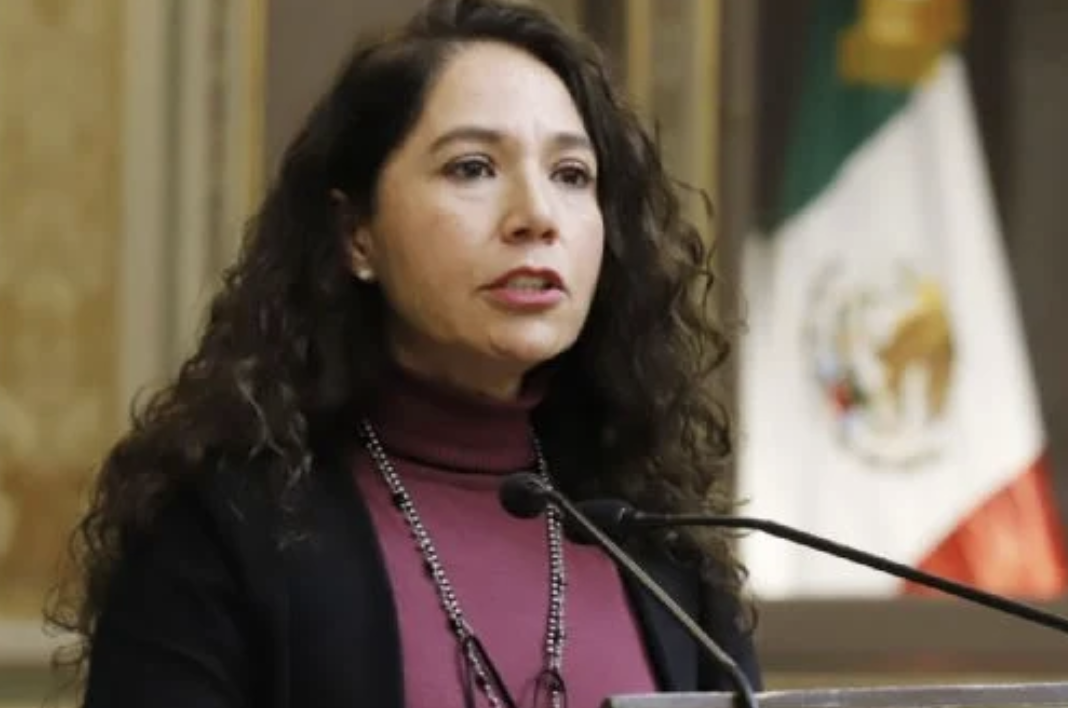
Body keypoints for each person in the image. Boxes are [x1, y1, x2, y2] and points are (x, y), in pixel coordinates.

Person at [48, 0, 761, 706]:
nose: (538, 216)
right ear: (356, 233)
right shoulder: (224, 529)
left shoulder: (660, 549)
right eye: (473, 168)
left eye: (571, 174)